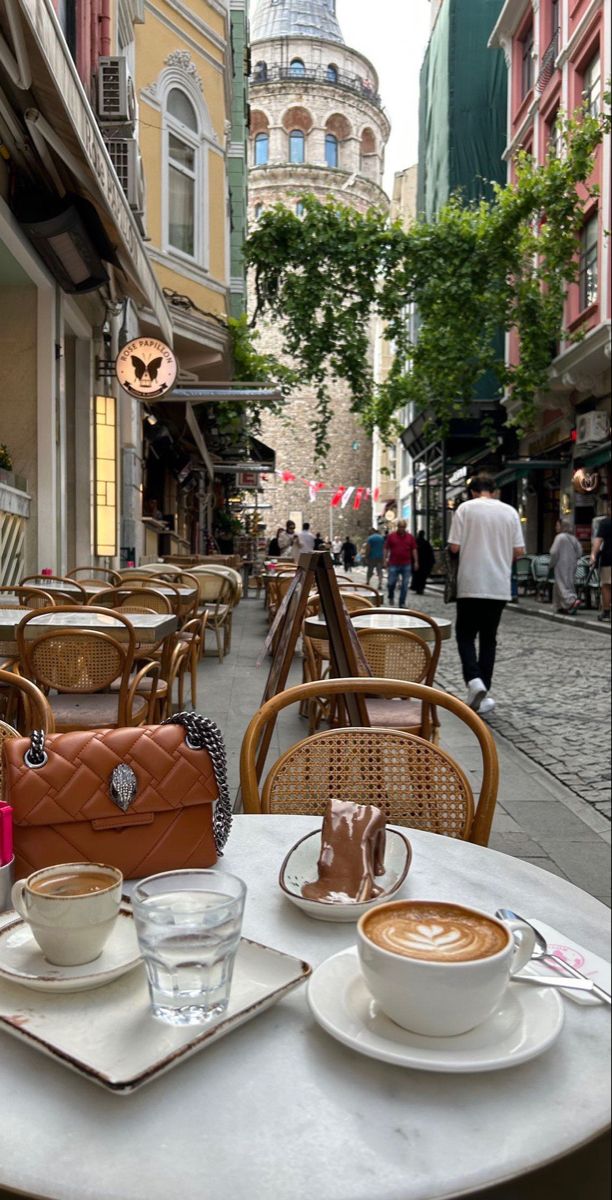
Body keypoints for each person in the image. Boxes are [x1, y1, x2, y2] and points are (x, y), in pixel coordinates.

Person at [448, 473, 525, 716]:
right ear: (494, 490)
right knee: (489, 638)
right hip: (498, 585)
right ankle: (483, 692)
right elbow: (519, 551)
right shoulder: (510, 512)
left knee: (465, 635)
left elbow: (454, 547)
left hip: (470, 582)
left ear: (472, 491)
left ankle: (474, 681)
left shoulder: (465, 509)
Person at [549, 519, 583, 614]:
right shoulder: (573, 538)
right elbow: (580, 552)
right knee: (567, 583)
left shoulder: (559, 537)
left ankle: (571, 601)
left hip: (560, 564)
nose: (556, 527)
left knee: (561, 584)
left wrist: (551, 563)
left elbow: (554, 552)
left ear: (562, 526)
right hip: (572, 564)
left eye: (558, 525)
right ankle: (559, 606)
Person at [384, 520, 418, 607]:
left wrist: (416, 561)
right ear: (397, 527)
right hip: (393, 563)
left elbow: (414, 549)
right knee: (391, 583)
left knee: (405, 584)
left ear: (405, 528)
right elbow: (386, 548)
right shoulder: (391, 536)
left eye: (403, 527)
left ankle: (401, 602)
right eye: (400, 527)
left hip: (406, 563)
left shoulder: (410, 537)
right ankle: (391, 596)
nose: (401, 529)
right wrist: (385, 559)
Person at [591, 504, 612, 622]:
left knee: (606, 586)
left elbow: (598, 541)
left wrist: (593, 556)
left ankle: (606, 613)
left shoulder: (605, 523)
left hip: (608, 559)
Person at [411, 531, 435, 595]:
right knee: (422, 577)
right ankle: (421, 588)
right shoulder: (426, 543)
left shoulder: (415, 542)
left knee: (416, 576)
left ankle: (417, 588)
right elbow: (430, 554)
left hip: (417, 562)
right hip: (424, 563)